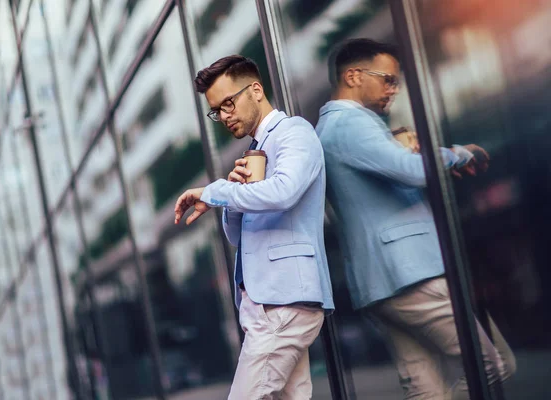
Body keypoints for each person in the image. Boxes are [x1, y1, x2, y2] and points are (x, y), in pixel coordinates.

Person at [316, 38, 515, 399]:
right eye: (388, 79)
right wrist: (457, 154)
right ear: (353, 76)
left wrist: (418, 160)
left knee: (422, 383)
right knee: (493, 361)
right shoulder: (349, 123)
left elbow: (392, 177)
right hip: (409, 274)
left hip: (381, 283)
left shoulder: (335, 128)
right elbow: (410, 171)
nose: (394, 88)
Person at [173, 55, 334, 400]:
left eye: (228, 103)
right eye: (217, 111)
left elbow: (285, 191)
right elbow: (238, 238)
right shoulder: (254, 151)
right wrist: (235, 195)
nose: (224, 116)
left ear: (256, 90)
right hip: (266, 304)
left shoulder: (293, 132)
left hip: (284, 301)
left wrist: (217, 191)